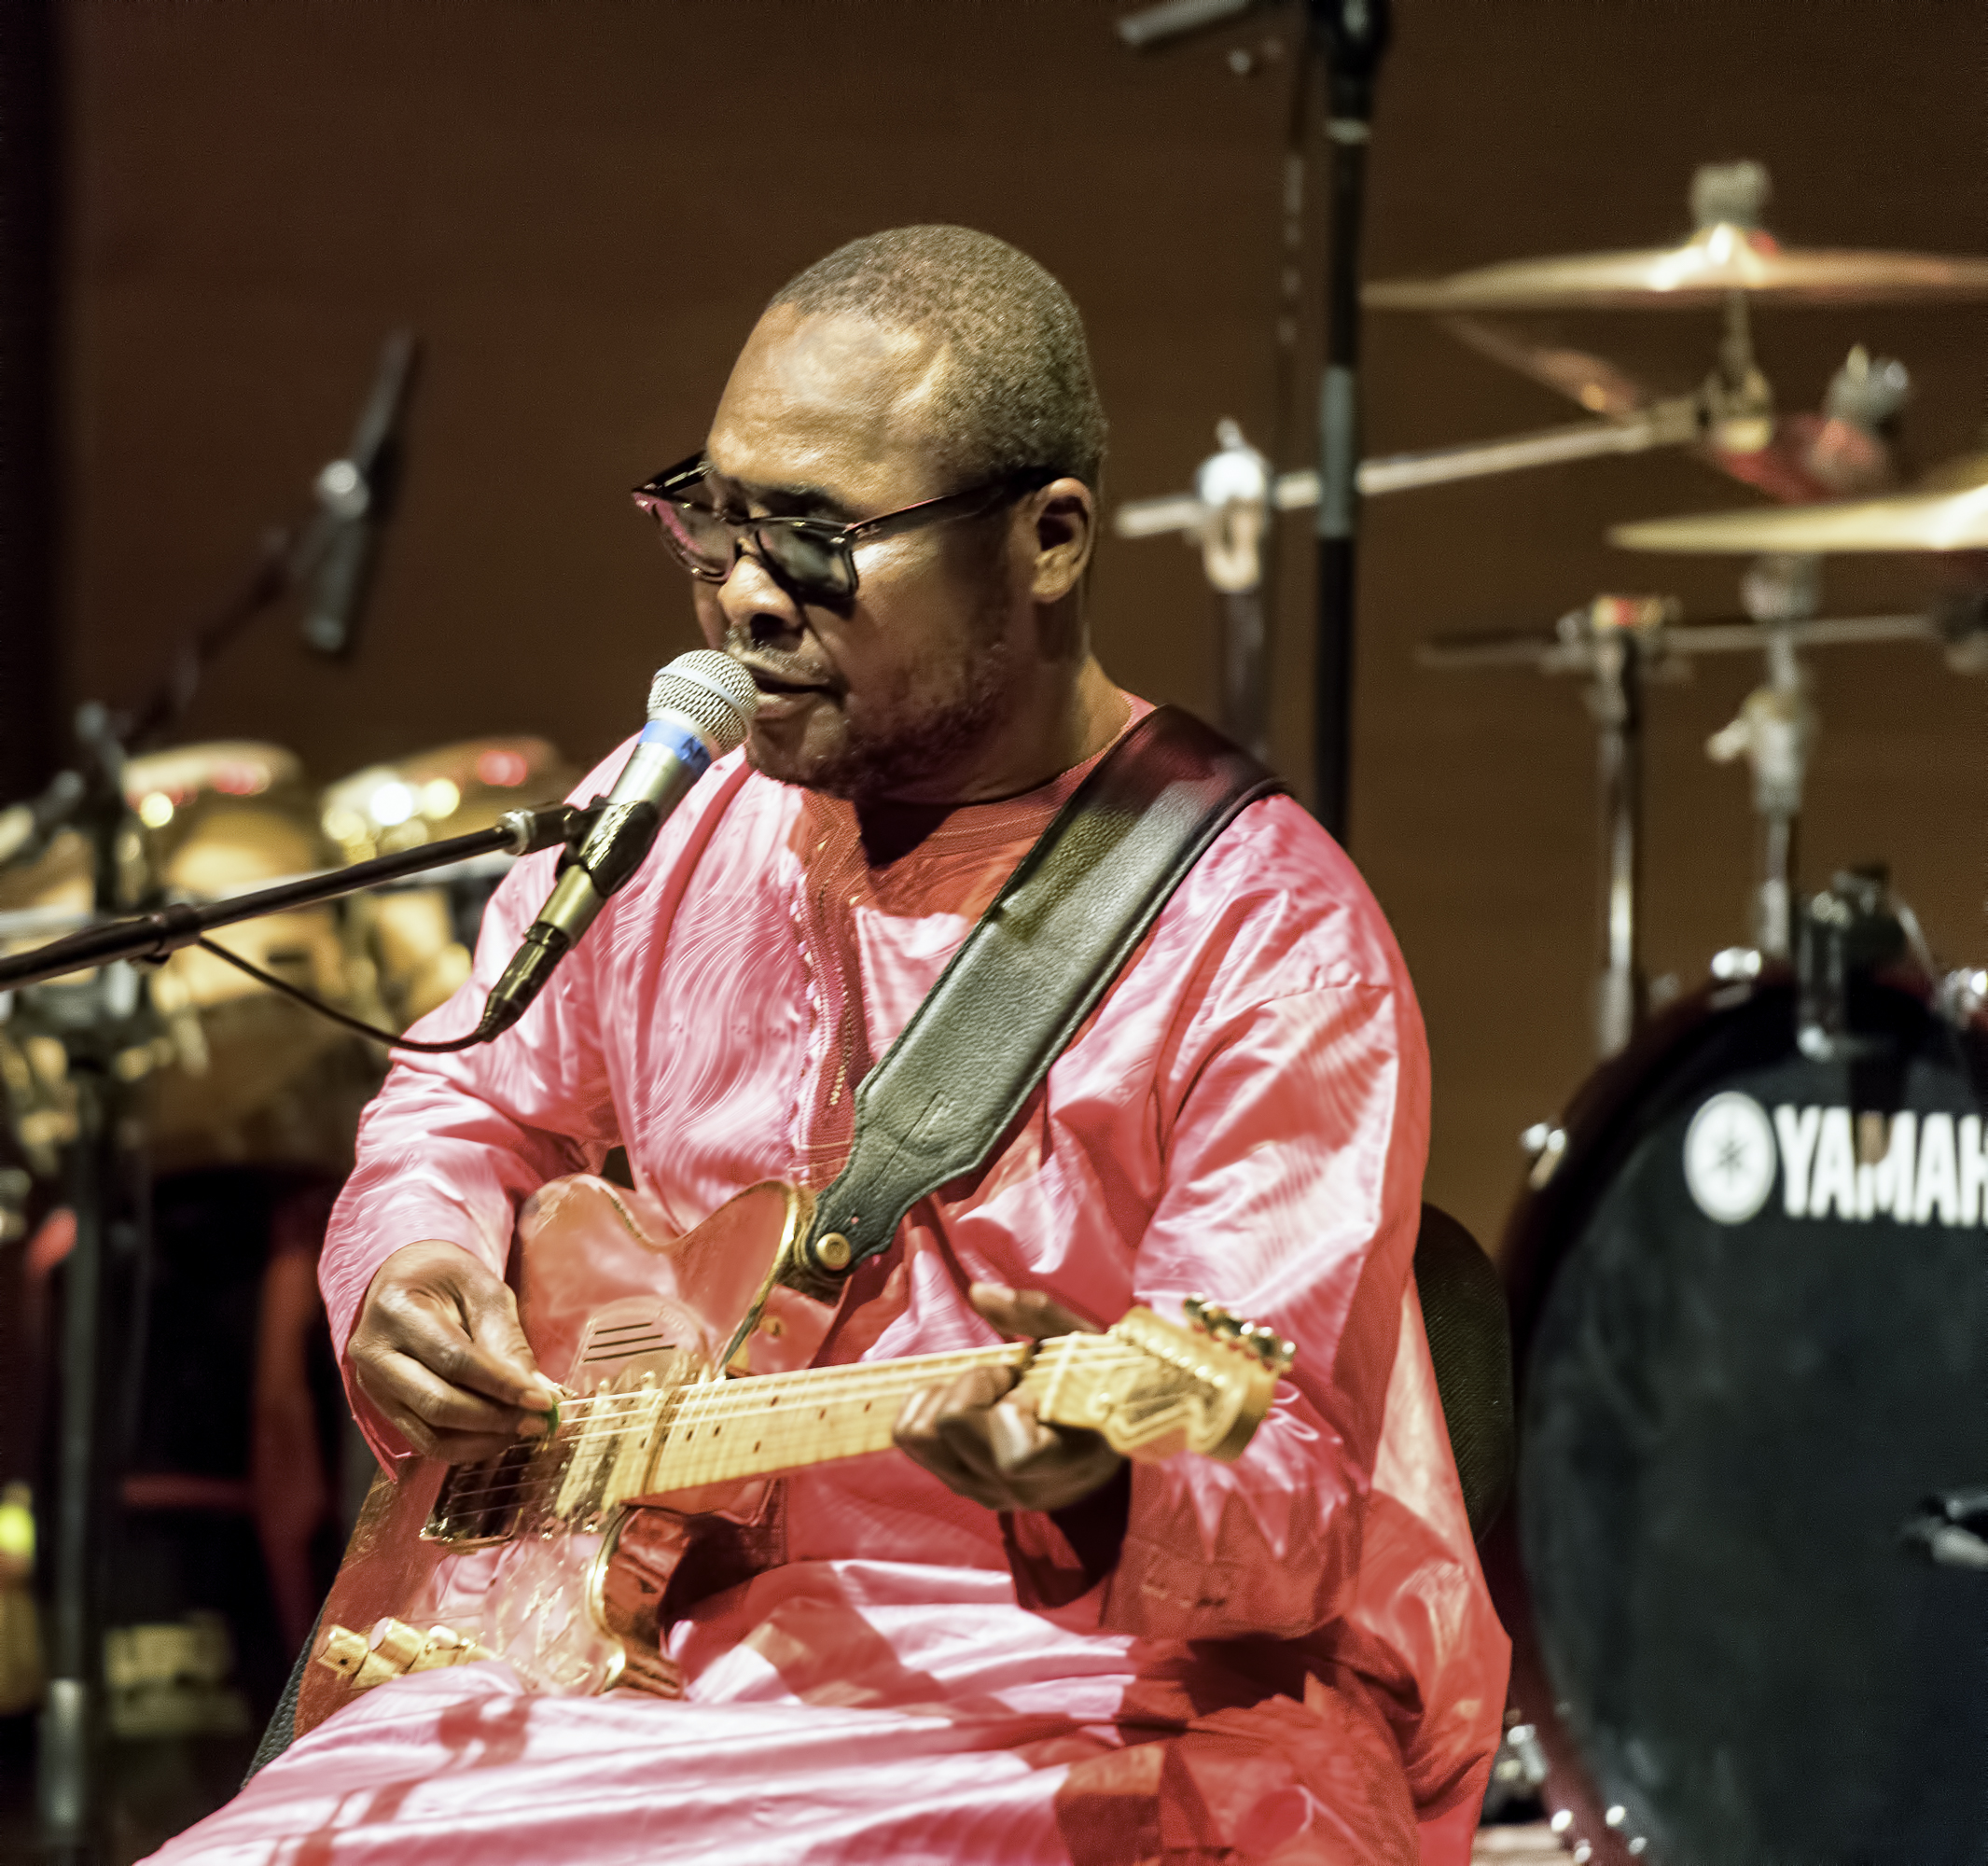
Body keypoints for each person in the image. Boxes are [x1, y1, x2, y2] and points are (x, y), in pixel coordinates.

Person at [147, 226, 1508, 1866]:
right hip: (638, 1667)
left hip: (1088, 1703)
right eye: (713, 517)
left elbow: (1280, 1476)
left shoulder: (1265, 938)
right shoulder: (674, 819)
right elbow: (462, 1093)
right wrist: (413, 1274)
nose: (738, 590)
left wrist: (1087, 1482)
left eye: (817, 538)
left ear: (1050, 540)